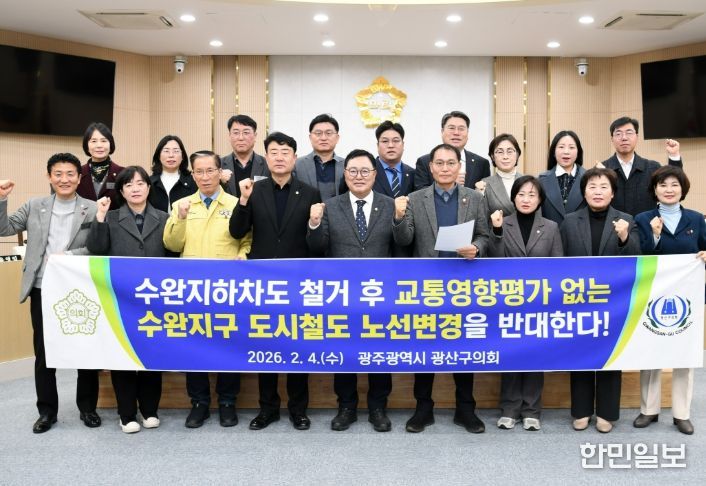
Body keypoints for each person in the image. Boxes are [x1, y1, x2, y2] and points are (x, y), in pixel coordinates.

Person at [392, 143, 489, 434]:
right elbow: (404, 240)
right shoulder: (414, 198)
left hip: (463, 283)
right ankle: (423, 408)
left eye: (450, 163)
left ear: (459, 167)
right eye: (439, 163)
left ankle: (465, 409)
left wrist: (477, 248)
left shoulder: (475, 198)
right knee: (425, 346)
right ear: (430, 167)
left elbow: (485, 235)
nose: (445, 168)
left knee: (463, 347)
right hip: (427, 285)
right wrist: (398, 218)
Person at [0, 153, 100, 433]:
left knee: (84, 350)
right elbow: (4, 228)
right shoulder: (34, 206)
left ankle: (88, 408)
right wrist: (1, 199)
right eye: (58, 174)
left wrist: (70, 255)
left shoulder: (92, 208)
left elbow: (99, 246)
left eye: (70, 174)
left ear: (79, 178)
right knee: (44, 353)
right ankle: (47, 412)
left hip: (78, 289)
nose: (64, 179)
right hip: (42, 287)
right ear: (49, 177)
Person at [230, 132, 322, 431]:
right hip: (264, 281)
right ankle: (267, 408)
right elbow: (236, 231)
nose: (280, 157)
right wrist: (243, 200)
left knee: (297, 346)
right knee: (266, 345)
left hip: (298, 281)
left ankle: (298, 409)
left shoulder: (310, 193)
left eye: (285, 152)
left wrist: (315, 223)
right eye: (274, 152)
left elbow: (316, 242)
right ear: (266, 157)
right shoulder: (253, 190)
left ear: (295, 158)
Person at [307, 149, 397, 432]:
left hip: (379, 293)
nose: (359, 176)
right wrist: (314, 223)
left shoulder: (390, 205)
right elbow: (317, 247)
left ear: (375, 174)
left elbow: (402, 245)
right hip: (342, 294)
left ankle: (378, 407)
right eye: (353, 171)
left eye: (365, 171)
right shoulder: (330, 206)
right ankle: (346, 406)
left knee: (379, 352)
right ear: (345, 175)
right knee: (344, 351)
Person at [163, 150, 252, 429]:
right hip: (193, 288)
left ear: (219, 172)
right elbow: (172, 245)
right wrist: (179, 218)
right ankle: (199, 403)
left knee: (228, 344)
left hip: (227, 287)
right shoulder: (182, 204)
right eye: (198, 172)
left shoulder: (235, 203)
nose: (204, 177)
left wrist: (244, 254)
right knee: (195, 346)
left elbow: (247, 239)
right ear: (192, 174)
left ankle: (227, 401)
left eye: (210, 170)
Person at [87, 166, 169, 434]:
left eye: (140, 183)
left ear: (148, 187)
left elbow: (173, 255)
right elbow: (96, 249)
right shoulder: (110, 217)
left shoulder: (164, 217)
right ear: (121, 191)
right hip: (120, 297)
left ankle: (150, 410)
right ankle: (126, 414)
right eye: (129, 185)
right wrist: (99, 217)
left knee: (151, 355)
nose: (135, 189)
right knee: (122, 355)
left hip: (154, 297)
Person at [560, 167, 640, 433]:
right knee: (581, 355)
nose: (598, 192)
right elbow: (558, 261)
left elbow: (638, 257)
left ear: (613, 193)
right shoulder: (570, 221)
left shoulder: (626, 220)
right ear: (584, 192)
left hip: (613, 302)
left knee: (610, 355)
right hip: (578, 299)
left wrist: (624, 237)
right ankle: (581, 411)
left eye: (604, 187)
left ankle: (607, 412)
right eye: (592, 186)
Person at [487, 175, 563, 431]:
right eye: (521, 194)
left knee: (534, 355)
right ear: (513, 198)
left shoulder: (551, 227)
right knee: (511, 355)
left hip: (539, 302)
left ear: (540, 199)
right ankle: (509, 409)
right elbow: (494, 262)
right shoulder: (502, 222)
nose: (526, 199)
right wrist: (497, 231)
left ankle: (532, 409)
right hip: (508, 301)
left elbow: (558, 266)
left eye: (532, 195)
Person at [633, 166, 704, 435]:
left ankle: (681, 413)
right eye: (663, 185)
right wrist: (654, 235)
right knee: (651, 352)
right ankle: (648, 409)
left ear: (683, 189)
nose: (669, 189)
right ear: (655, 190)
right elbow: (639, 255)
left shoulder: (697, 219)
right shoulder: (643, 219)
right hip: (653, 297)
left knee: (684, 354)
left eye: (674, 184)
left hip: (687, 299)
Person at [600, 116, 682, 216]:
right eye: (618, 134)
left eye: (629, 133)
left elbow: (674, 183)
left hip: (646, 224)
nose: (624, 138)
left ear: (637, 137)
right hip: (612, 225)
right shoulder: (602, 169)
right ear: (612, 139)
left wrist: (674, 156)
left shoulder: (653, 167)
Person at [415, 111, 490, 190]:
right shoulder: (424, 161)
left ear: (467, 133)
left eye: (461, 129)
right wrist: (448, 184)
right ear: (442, 131)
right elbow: (420, 194)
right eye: (451, 128)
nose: (456, 133)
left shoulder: (481, 163)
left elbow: (485, 194)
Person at [538, 130, 587, 225]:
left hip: (580, 233)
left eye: (571, 147)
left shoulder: (589, 178)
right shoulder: (541, 180)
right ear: (553, 151)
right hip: (550, 234)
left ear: (578, 152)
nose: (566, 152)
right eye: (561, 147)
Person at [294, 114, 344, 201]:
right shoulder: (297, 165)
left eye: (329, 133)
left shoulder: (347, 166)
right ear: (310, 137)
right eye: (318, 133)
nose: (323, 138)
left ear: (337, 138)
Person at [76, 122, 125, 210]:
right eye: (94, 141)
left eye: (103, 141)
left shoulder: (122, 173)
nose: (99, 145)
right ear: (87, 145)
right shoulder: (77, 173)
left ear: (111, 144)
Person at [220, 114, 270, 198]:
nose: (241, 138)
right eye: (236, 133)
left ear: (255, 136)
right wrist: (220, 181)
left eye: (246, 133)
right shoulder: (219, 165)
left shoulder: (267, 165)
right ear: (229, 136)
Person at [475, 133, 522, 217]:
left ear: (517, 154)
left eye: (510, 151)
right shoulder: (484, 184)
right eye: (500, 152)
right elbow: (481, 218)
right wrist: (479, 194)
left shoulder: (529, 182)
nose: (505, 156)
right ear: (492, 156)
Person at [147, 135, 197, 213]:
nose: (171, 155)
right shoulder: (149, 183)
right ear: (159, 155)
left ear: (182, 156)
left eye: (176, 151)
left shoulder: (194, 181)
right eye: (166, 151)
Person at [370, 121, 415, 198]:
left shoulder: (412, 173)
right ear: (377, 146)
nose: (390, 145)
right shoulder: (368, 172)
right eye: (385, 141)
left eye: (396, 141)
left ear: (403, 145)